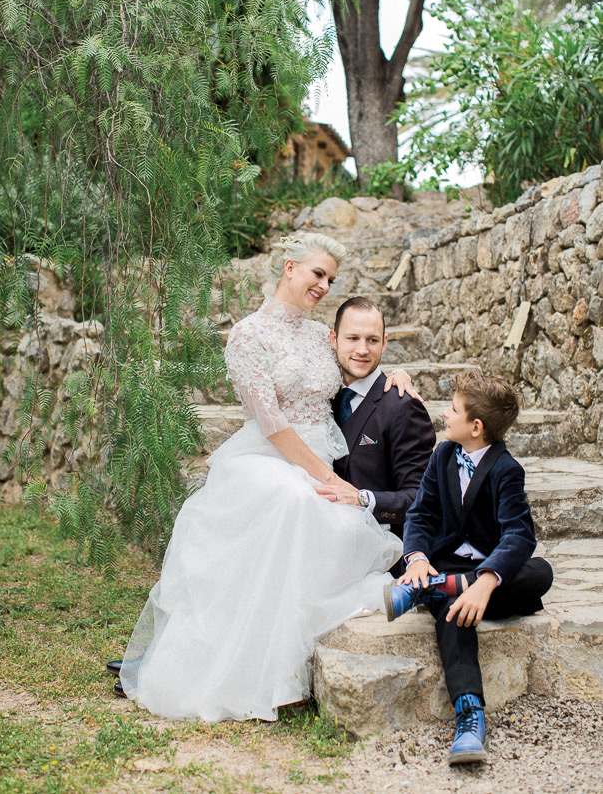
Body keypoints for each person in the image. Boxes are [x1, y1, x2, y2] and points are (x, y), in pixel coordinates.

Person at [114, 233, 407, 721]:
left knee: (321, 516)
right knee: (297, 501)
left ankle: (288, 666)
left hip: (318, 456)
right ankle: (252, 676)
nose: (324, 286)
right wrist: (325, 478)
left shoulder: (320, 335)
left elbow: (360, 366)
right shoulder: (248, 335)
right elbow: (271, 423)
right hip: (270, 459)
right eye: (318, 274)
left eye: (331, 279)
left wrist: (398, 377)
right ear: (289, 267)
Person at [384, 370, 553, 765]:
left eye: (454, 409)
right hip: (442, 562)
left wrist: (485, 582)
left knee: (539, 571)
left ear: (476, 427)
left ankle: (437, 589)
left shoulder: (506, 469)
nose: (444, 413)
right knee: (456, 613)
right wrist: (419, 560)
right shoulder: (442, 454)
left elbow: (518, 536)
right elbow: (421, 514)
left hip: (485, 570)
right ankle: (470, 716)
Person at [319, 296, 435, 546]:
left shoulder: (404, 407)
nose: (362, 350)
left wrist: (363, 499)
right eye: (352, 338)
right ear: (333, 339)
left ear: (384, 343)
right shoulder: (317, 395)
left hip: (376, 545)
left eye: (372, 340)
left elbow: (420, 497)